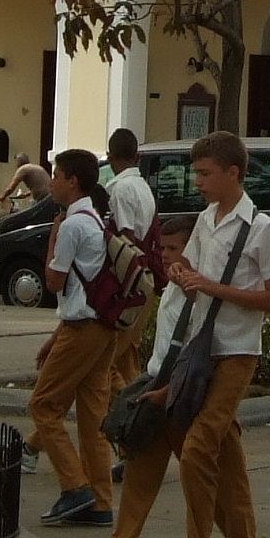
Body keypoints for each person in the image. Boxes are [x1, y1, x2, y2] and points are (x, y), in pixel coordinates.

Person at [82, 130, 270, 538]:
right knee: (212, 457)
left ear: (233, 173)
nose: (198, 182)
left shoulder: (259, 228)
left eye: (205, 173)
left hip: (234, 354)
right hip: (195, 355)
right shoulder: (206, 222)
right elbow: (192, 285)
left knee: (196, 452)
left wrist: (211, 287)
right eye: (196, 172)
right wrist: (181, 279)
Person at [30, 149, 121, 529]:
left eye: (56, 174)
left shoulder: (70, 225)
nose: (51, 182)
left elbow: (54, 281)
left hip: (81, 327)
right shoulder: (95, 219)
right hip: (102, 325)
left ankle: (74, 486)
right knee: (92, 414)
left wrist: (52, 240)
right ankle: (100, 502)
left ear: (73, 181)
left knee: (44, 407)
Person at [105, 128, 161, 396]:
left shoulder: (121, 189)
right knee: (128, 356)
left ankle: (129, 409)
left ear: (110, 156)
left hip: (129, 282)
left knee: (106, 361)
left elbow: (125, 240)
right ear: (137, 156)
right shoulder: (143, 186)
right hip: (146, 278)